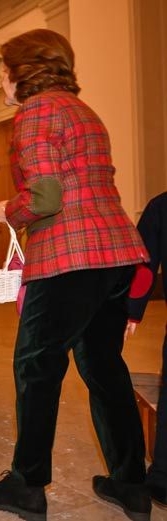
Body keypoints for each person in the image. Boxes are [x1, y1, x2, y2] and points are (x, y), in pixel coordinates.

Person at [0, 29, 151, 521]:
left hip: (69, 258)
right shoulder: (84, 111)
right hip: (116, 252)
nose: (2, 83)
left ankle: (28, 486)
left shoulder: (34, 113)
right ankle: (131, 484)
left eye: (3, 73)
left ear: (20, 72)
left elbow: (47, 197)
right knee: (103, 366)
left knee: (37, 370)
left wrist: (10, 209)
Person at [127, 191, 167, 509]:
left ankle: (163, 476)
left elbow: (144, 262)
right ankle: (163, 474)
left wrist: (132, 310)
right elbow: (145, 262)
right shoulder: (161, 207)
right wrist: (133, 309)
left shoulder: (160, 205)